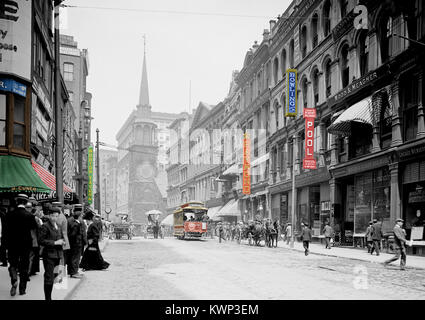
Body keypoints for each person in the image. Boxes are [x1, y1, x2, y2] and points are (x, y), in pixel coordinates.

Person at [3, 194, 37, 296]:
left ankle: (14, 279)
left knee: (12, 264)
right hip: (25, 245)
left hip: (12, 244)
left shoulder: (9, 215)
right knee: (24, 267)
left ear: (17, 202)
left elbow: (5, 232)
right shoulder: (30, 216)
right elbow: (33, 230)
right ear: (26, 203)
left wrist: (5, 245)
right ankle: (22, 289)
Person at [38, 206, 65, 300]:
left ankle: (49, 297)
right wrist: (55, 242)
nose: (55, 218)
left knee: (54, 276)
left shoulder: (59, 226)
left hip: (57, 255)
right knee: (49, 277)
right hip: (48, 255)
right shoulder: (45, 226)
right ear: (49, 216)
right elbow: (41, 240)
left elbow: (59, 237)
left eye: (57, 216)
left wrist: (62, 241)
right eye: (53, 216)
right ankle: (48, 298)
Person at [66, 204, 85, 278]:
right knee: (75, 257)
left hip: (72, 242)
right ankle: (74, 272)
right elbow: (79, 232)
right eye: (80, 211)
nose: (80, 213)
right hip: (76, 242)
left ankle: (71, 271)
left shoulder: (69, 219)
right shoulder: (77, 221)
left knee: (71, 257)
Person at [52, 202, 70, 273]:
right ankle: (60, 273)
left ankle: (59, 273)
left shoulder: (59, 217)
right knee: (61, 257)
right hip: (63, 239)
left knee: (60, 257)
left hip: (60, 239)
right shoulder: (61, 216)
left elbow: (57, 229)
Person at [28, 205, 43, 277]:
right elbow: (39, 228)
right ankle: (29, 271)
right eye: (38, 211)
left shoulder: (32, 218)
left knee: (30, 256)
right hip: (33, 240)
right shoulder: (35, 219)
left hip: (30, 239)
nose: (39, 212)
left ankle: (30, 270)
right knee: (31, 256)